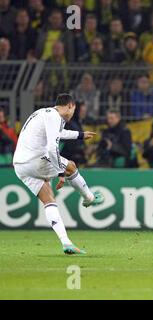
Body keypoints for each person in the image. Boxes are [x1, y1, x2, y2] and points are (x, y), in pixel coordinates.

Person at [12, 94, 104, 255]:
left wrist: (80, 135)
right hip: (36, 159)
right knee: (71, 166)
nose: (73, 114)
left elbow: (57, 134)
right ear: (69, 105)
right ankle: (89, 198)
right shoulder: (54, 116)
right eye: (74, 110)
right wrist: (61, 172)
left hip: (20, 165)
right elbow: (50, 147)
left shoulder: (45, 113)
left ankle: (66, 242)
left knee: (49, 200)